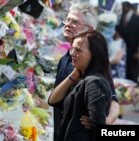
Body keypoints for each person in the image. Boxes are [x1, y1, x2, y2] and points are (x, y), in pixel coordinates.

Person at [48, 2, 119, 141]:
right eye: (67, 19)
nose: (68, 24)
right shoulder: (66, 59)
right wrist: (75, 74)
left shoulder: (95, 71)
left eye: (74, 21)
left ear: (90, 30)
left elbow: (113, 98)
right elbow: (53, 100)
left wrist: (106, 122)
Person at [116, 1, 139, 85]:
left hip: (133, 49)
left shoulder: (137, 18)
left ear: (128, 7)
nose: (122, 9)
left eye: (123, 7)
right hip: (123, 49)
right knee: (125, 69)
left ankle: (134, 87)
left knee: (133, 69)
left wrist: (137, 51)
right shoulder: (122, 17)